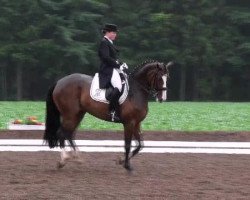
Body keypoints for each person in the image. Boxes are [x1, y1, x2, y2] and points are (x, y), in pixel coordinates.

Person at [98, 23, 123, 122]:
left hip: (113, 68)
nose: (115, 34)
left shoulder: (109, 42)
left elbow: (113, 58)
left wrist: (121, 64)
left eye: (115, 33)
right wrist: (118, 65)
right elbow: (106, 57)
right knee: (118, 87)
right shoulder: (104, 42)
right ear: (108, 32)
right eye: (113, 32)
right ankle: (112, 111)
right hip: (107, 70)